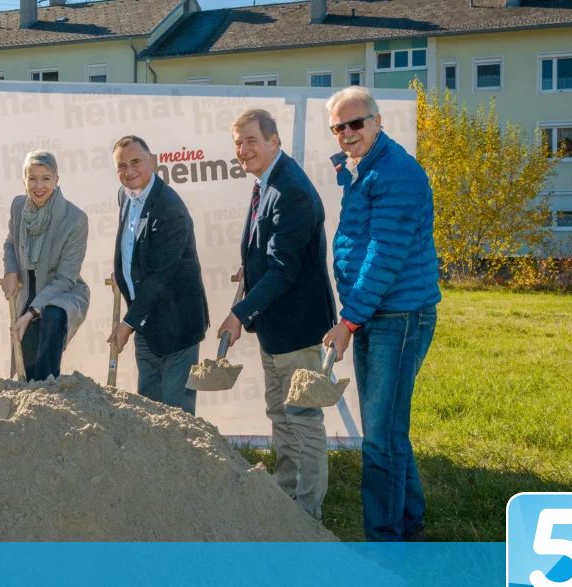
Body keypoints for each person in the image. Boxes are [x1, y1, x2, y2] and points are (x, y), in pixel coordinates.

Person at [322, 86, 442, 542]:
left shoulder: (397, 173)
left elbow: (384, 254)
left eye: (357, 123)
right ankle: (409, 524)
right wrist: (355, 314)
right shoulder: (359, 170)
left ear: (378, 121)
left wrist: (348, 320)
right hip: (374, 312)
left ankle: (385, 542)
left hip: (399, 316)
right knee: (386, 429)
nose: (348, 134)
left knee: (380, 438)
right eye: (339, 127)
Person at [216, 109, 336, 520]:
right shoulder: (266, 183)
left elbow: (285, 268)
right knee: (282, 418)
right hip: (276, 328)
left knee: (302, 422)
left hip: (298, 331)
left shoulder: (290, 191)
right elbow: (271, 254)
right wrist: (249, 271)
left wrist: (239, 313)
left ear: (274, 141)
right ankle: (287, 505)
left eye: (250, 140)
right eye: (237, 143)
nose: (242, 150)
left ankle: (307, 518)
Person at [108, 135, 209, 414]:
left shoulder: (168, 207)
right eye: (121, 165)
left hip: (177, 326)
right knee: (149, 412)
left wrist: (127, 324)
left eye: (136, 162)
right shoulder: (126, 196)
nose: (128, 171)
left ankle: (185, 458)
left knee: (177, 416)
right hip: (147, 324)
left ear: (153, 161)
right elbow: (135, 246)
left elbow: (161, 276)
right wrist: (122, 272)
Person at [1, 151, 91, 381]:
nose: (39, 186)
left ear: (56, 179)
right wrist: (11, 270)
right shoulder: (18, 206)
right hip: (28, 292)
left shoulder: (74, 219)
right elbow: (11, 243)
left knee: (52, 316)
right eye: (32, 179)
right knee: (27, 370)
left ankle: (49, 393)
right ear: (24, 180)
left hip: (63, 293)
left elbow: (65, 278)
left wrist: (31, 313)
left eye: (46, 178)